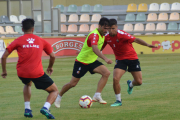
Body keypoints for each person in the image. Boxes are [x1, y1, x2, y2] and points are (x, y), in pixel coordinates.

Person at [1, 18, 58, 119]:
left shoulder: (17, 41)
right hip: (37, 73)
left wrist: (4, 71)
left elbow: (3, 57)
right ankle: (46, 107)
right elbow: (53, 56)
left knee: (27, 83)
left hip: (22, 72)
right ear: (33, 29)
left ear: (22, 29)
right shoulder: (41, 40)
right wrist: (50, 67)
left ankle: (27, 109)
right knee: (54, 91)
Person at [54, 17, 112, 108]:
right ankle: (59, 96)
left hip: (92, 61)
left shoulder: (103, 36)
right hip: (82, 62)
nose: (106, 30)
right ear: (99, 26)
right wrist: (105, 58)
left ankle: (97, 95)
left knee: (106, 73)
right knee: (73, 83)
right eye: (105, 28)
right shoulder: (94, 35)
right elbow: (95, 48)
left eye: (108, 28)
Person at [102, 19, 157, 107]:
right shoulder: (106, 37)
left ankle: (130, 84)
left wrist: (147, 45)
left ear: (116, 27)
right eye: (109, 29)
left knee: (139, 82)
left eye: (113, 28)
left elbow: (136, 40)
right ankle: (118, 100)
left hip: (132, 58)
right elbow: (100, 48)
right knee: (115, 78)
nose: (111, 31)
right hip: (120, 60)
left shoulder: (122, 35)